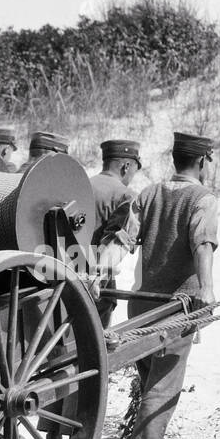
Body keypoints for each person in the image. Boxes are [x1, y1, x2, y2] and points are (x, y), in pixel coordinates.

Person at [125, 132, 219, 439]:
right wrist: (207, 290)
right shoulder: (203, 199)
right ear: (203, 162)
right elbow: (202, 245)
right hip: (174, 307)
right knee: (165, 381)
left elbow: (124, 238)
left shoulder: (147, 194)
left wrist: (98, 272)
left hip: (140, 302)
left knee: (150, 374)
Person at [89, 139, 142, 327]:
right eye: (136, 169)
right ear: (126, 166)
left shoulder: (83, 185)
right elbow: (118, 241)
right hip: (97, 287)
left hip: (63, 276)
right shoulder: (127, 195)